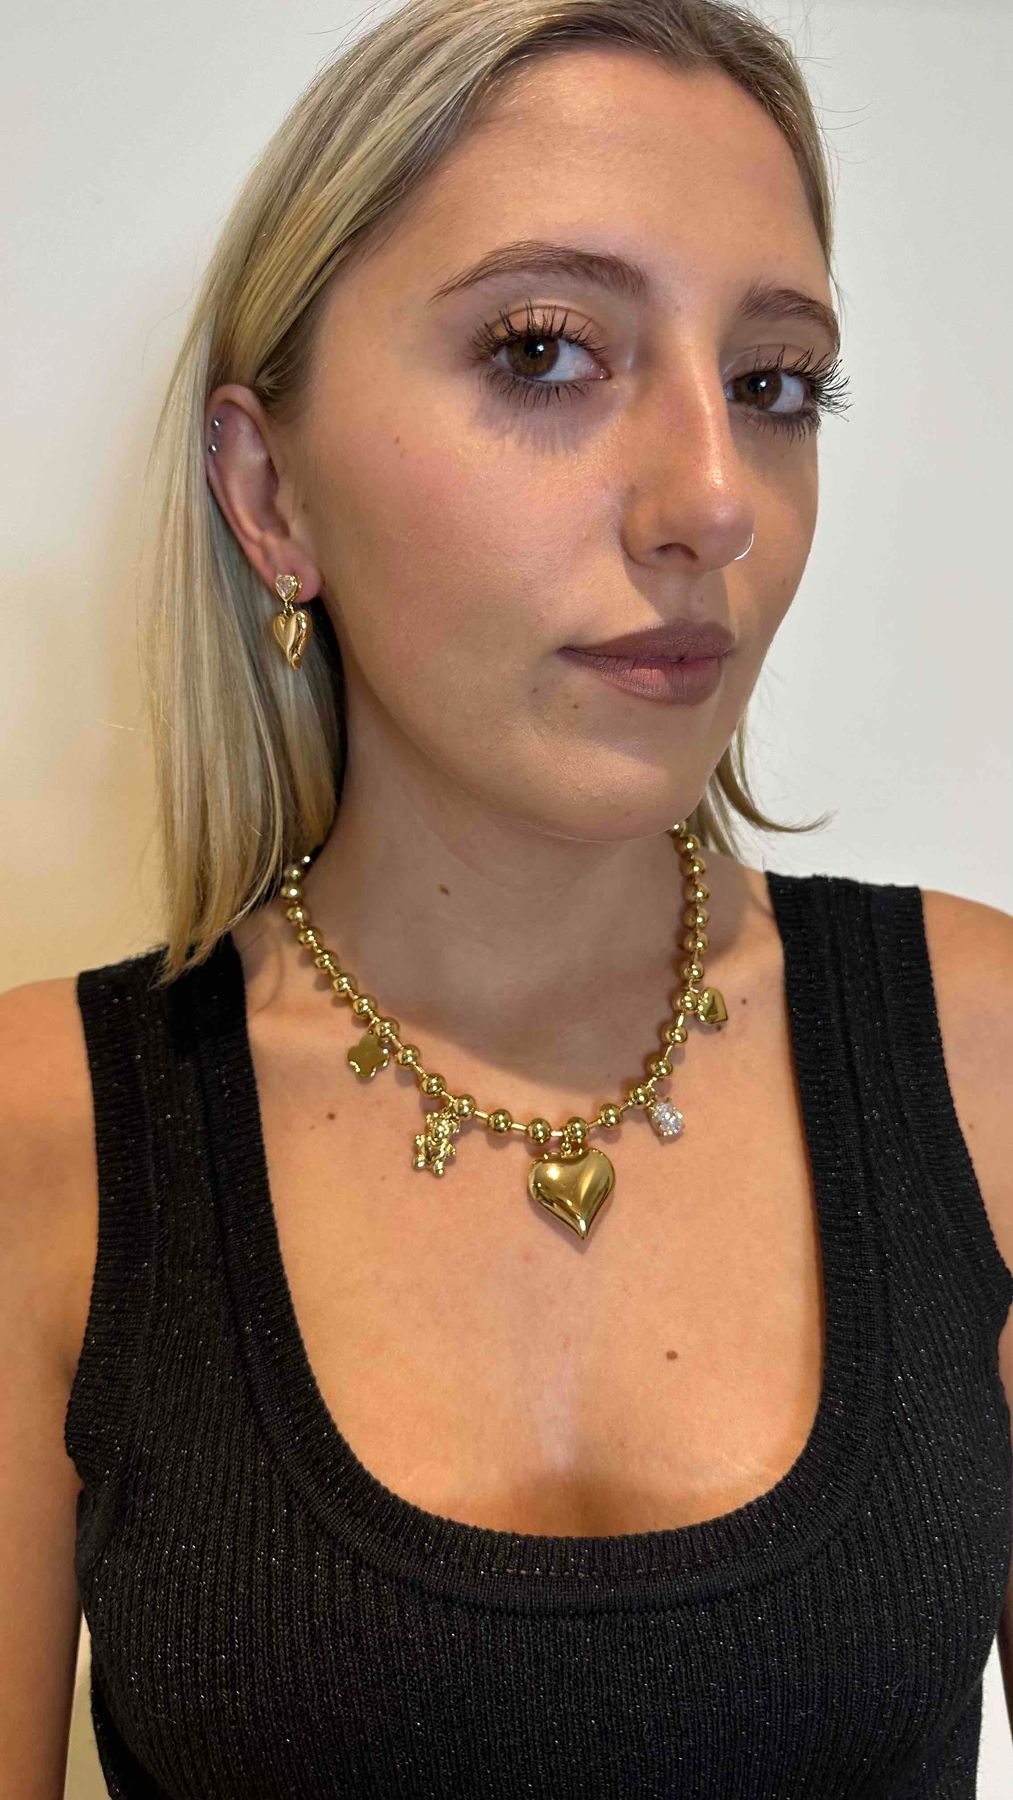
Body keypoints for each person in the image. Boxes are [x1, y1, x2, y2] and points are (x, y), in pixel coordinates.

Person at [3, 1, 1012, 1794]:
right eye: (544, 352)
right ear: (269, 490)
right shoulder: (46, 1145)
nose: (713, 498)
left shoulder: (984, 1054)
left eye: (773, 384)